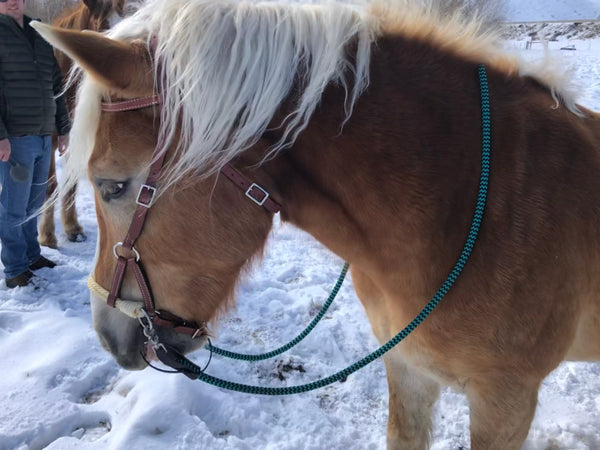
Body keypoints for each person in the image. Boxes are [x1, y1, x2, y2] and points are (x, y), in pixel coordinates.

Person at [0, 0, 71, 288]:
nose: (12, 1)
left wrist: (63, 129)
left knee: (34, 204)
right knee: (13, 208)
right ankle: (15, 269)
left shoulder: (38, 31)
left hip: (44, 136)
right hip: (16, 139)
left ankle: (31, 255)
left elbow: (56, 84)